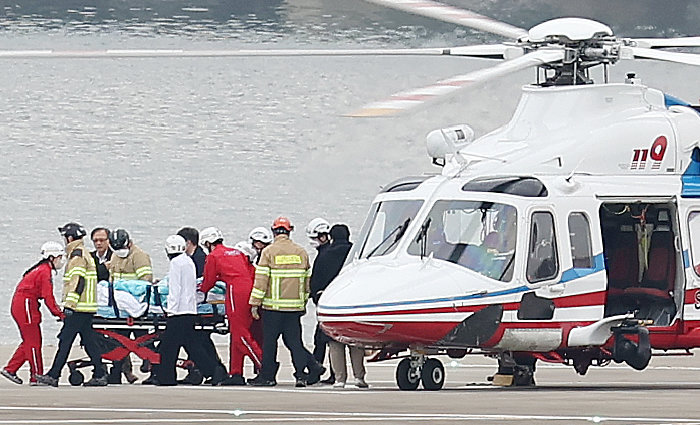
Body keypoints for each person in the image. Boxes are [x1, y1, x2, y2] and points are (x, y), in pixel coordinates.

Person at [247, 217, 325, 387]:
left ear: (274, 232)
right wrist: (303, 303)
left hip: (272, 308)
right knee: (295, 343)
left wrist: (254, 303)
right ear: (289, 231)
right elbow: (306, 283)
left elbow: (261, 281)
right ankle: (301, 375)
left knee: (270, 343)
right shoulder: (301, 252)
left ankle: (268, 376)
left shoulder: (269, 252)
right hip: (294, 308)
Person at [36, 222, 108, 387]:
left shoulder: (77, 255)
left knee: (65, 340)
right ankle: (100, 373)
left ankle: (54, 375)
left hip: (79, 308)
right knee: (90, 342)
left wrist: (69, 305)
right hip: (86, 307)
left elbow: (78, 281)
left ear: (69, 238)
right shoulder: (84, 253)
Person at [199, 227, 262, 385]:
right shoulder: (235, 252)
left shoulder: (214, 256)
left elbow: (208, 281)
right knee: (236, 334)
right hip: (248, 289)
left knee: (240, 334)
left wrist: (200, 291)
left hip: (235, 292)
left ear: (207, 243)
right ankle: (236, 373)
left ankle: (264, 365)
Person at [154, 235, 216, 386]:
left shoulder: (176, 263)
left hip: (178, 312)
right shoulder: (188, 261)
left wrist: (170, 310)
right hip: (190, 310)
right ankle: (213, 372)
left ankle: (166, 378)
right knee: (192, 345)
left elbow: (175, 289)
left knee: (169, 347)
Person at [2, 242, 66, 385]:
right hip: (26, 307)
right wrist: (60, 314)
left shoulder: (40, 269)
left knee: (30, 341)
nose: (61, 260)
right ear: (52, 257)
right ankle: (36, 375)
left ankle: (11, 369)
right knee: (34, 342)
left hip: (23, 306)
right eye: (60, 257)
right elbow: (48, 297)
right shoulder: (44, 272)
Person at [176, 226, 226, 385]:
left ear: (188, 243)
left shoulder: (197, 260)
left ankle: (206, 370)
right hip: (200, 304)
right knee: (201, 339)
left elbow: (201, 283)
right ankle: (216, 370)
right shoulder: (197, 257)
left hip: (199, 305)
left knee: (195, 339)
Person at [321, 224, 368, 389]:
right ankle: (359, 377)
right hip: (355, 303)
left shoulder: (325, 255)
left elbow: (316, 281)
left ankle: (339, 379)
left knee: (335, 344)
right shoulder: (358, 254)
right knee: (356, 343)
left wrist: (318, 298)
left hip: (332, 303)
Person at [108, 228, 153, 384]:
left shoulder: (139, 256)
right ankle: (116, 373)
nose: (120, 251)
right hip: (120, 309)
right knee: (119, 341)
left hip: (137, 307)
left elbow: (145, 281)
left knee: (144, 340)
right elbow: (112, 280)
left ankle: (152, 367)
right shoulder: (115, 255)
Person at [306, 217, 335, 384]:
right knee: (324, 341)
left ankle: (317, 371)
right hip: (326, 302)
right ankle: (327, 372)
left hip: (325, 303)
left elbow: (318, 280)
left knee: (322, 340)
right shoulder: (327, 253)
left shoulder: (325, 256)